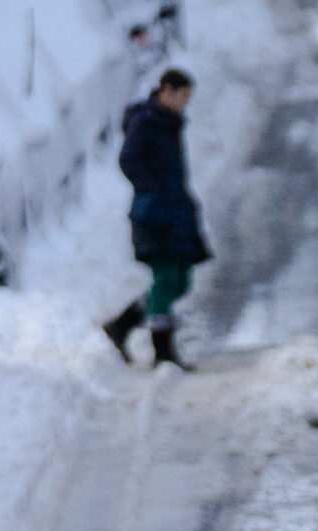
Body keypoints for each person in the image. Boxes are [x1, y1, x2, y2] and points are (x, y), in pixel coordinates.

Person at [101, 69, 211, 370]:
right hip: (155, 214)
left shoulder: (169, 122)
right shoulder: (147, 121)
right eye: (183, 96)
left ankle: (121, 325)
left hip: (176, 211)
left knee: (180, 281)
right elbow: (128, 158)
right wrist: (152, 189)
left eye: (188, 97)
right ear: (167, 90)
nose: (186, 102)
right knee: (165, 280)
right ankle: (163, 352)